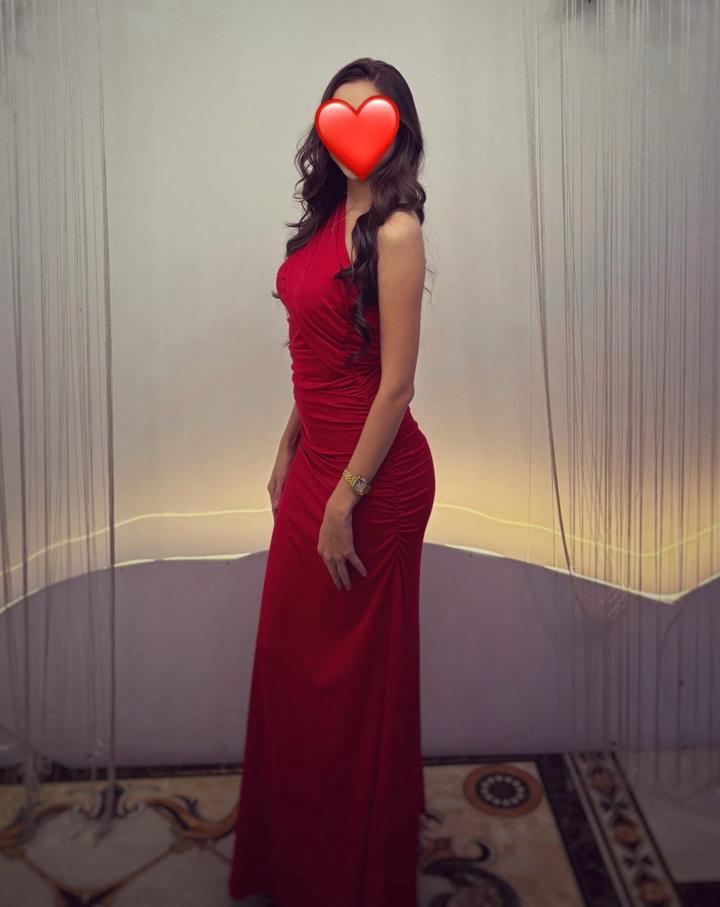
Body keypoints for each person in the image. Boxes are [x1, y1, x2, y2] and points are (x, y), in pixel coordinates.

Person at [228, 57, 435, 907]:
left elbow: (395, 385)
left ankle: (354, 875)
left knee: (354, 689)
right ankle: (296, 861)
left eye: (371, 111)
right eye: (339, 111)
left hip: (375, 481)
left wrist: (346, 497)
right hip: (318, 462)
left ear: (397, 127)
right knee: (291, 666)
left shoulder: (396, 230)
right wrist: (288, 443)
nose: (353, 126)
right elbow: (318, 359)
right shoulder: (323, 220)